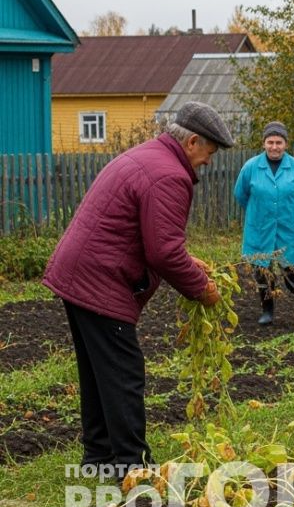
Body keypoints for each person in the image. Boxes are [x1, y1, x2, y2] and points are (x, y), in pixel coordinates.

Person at [42, 102, 231, 475]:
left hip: (80, 272)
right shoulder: (169, 176)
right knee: (124, 373)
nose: (208, 163)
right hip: (100, 279)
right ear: (192, 141)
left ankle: (98, 458)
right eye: (209, 153)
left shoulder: (151, 156)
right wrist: (201, 289)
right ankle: (133, 467)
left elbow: (148, 236)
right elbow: (162, 252)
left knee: (99, 372)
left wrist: (189, 262)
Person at [234, 121, 294, 329]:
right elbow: (241, 194)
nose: (274, 147)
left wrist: (290, 213)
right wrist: (261, 213)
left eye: (278, 142)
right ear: (263, 143)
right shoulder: (251, 167)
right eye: (270, 142)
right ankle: (267, 312)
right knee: (262, 274)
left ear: (286, 144)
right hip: (259, 229)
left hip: (290, 231)